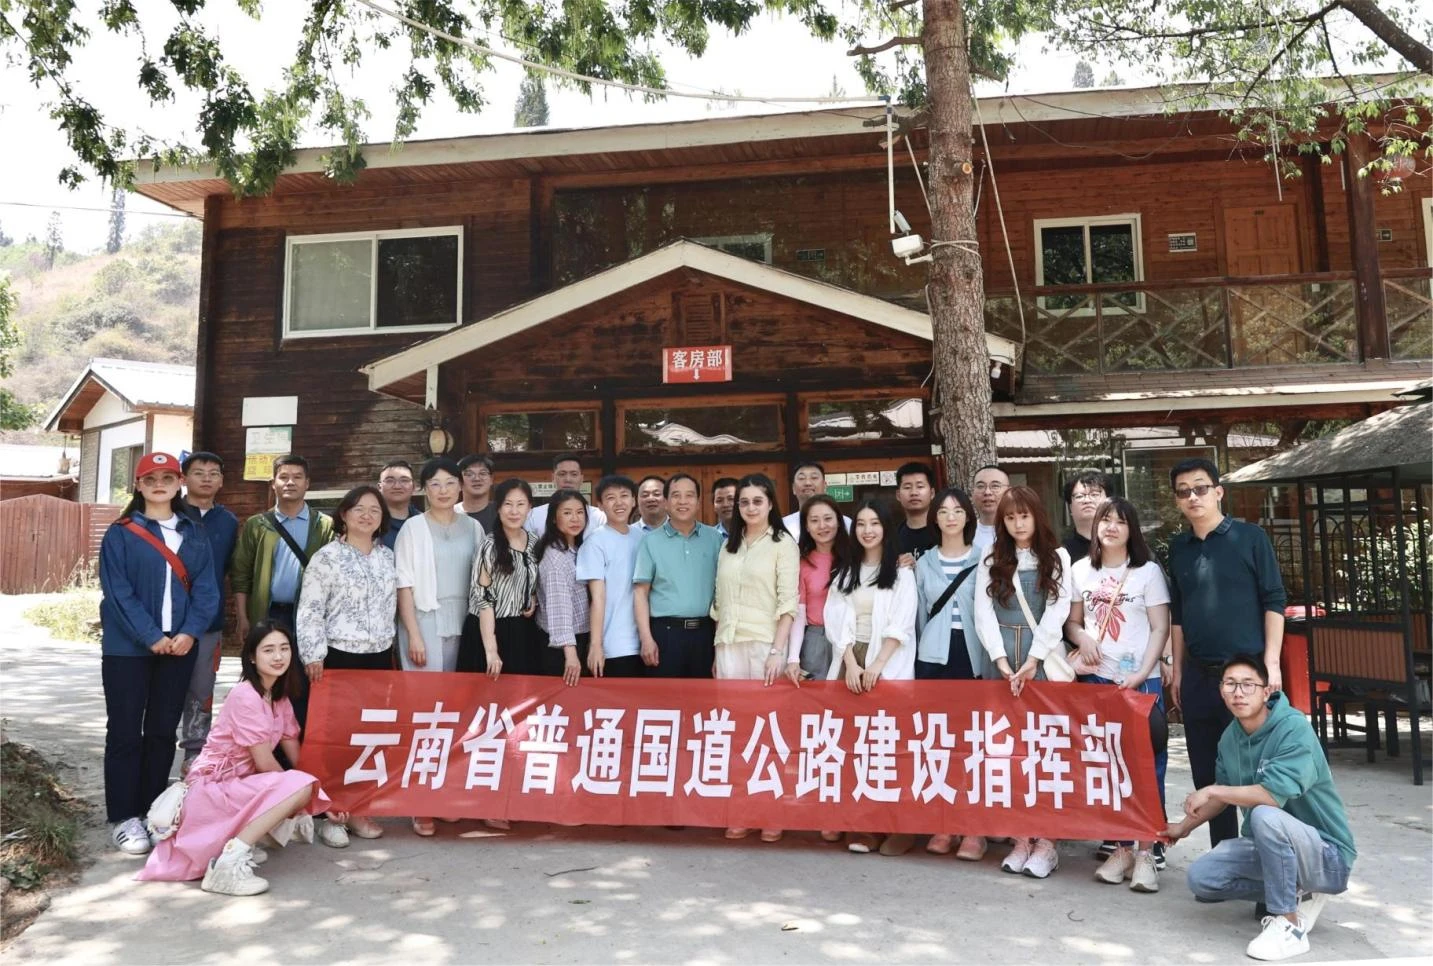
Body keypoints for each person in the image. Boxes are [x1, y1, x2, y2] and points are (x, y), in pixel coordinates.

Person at [1167, 655, 1355, 963]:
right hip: (1271, 848)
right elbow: (1223, 796)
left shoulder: (1293, 728)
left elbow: (1269, 796)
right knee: (1203, 877)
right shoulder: (1230, 739)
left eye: (1248, 685)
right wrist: (1181, 828)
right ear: (1221, 691)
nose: (1238, 692)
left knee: (1264, 814)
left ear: (1266, 691)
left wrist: (1211, 789)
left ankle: (1290, 924)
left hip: (1326, 854)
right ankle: (1302, 890)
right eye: (1230, 684)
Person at [137, 623, 332, 896]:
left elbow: (298, 758)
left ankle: (236, 843)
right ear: (252, 657)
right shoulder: (245, 695)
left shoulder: (279, 698)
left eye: (284, 648)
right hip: (211, 790)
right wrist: (302, 797)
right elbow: (265, 764)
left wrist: (324, 798)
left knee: (302, 786)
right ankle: (227, 865)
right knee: (297, 787)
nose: (278, 656)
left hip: (236, 785)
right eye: (268, 650)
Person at [99, 452, 221, 855]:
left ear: (178, 484)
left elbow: (207, 589)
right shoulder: (121, 533)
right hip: (128, 649)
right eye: (150, 478)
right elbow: (118, 592)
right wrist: (151, 635)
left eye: (167, 477)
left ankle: (153, 810)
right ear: (138, 484)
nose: (158, 484)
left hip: (179, 646)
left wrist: (189, 632)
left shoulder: (193, 533)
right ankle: (124, 817)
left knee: (162, 731)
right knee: (124, 730)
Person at [1166, 457, 1286, 850]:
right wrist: (1178, 670)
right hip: (1199, 677)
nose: (1193, 496)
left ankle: (1268, 860)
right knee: (1208, 774)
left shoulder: (1250, 538)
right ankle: (1224, 858)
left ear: (1218, 492)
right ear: (1177, 500)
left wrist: (1271, 663)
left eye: (1201, 488)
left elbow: (1274, 600)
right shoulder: (1178, 549)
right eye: (1184, 491)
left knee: (1259, 773)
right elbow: (1178, 615)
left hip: (1247, 677)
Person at [1065, 497, 1170, 893]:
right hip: (1098, 682)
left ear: (1132, 530)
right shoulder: (1081, 570)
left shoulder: (1148, 572)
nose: (1111, 527)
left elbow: (1160, 627)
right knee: (1108, 766)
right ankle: (1121, 848)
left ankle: (1147, 852)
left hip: (1140, 682)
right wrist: (1082, 638)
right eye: (1105, 520)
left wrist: (1144, 672)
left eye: (1120, 522)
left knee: (1147, 766)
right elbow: (1072, 622)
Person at [972, 485, 1072, 879]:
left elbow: (1057, 612)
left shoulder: (1057, 557)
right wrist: (999, 659)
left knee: (1046, 752)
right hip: (1001, 661)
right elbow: (983, 611)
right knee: (1007, 752)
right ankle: (1020, 838)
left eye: (1024, 516)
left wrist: (1033, 660)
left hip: (1040, 660)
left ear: (1037, 516)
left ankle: (1047, 842)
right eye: (1010, 517)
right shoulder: (992, 556)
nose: (1018, 524)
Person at [296, 484, 397, 843]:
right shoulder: (327, 558)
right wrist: (313, 654)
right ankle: (332, 813)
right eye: (359, 509)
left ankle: (358, 807)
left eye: (374, 510)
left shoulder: (387, 557)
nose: (367, 516)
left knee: (368, 735)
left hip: (379, 656)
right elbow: (310, 609)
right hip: (338, 656)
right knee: (335, 736)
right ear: (344, 514)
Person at [824, 499, 918, 857]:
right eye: (861, 524)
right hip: (851, 662)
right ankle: (863, 825)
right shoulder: (845, 572)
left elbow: (902, 623)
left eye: (874, 523)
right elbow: (834, 620)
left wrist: (877, 665)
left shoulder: (901, 573)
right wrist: (851, 663)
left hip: (887, 663)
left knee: (889, 747)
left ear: (886, 528)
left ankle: (899, 827)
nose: (867, 530)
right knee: (853, 747)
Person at [712, 473, 799, 843]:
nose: (750, 508)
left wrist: (778, 651)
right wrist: (718, 648)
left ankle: (772, 812)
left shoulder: (783, 543)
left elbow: (788, 602)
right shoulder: (728, 547)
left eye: (757, 501)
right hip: (728, 645)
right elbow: (720, 601)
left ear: (770, 504)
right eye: (744, 502)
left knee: (769, 731)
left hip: (765, 646)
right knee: (736, 733)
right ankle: (742, 810)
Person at [913, 486, 985, 857]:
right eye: (943, 511)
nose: (951, 517)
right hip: (933, 657)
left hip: (973, 658)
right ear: (935, 518)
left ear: (968, 517)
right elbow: (917, 616)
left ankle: (974, 829)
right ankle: (944, 824)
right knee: (938, 742)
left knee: (973, 744)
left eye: (957, 510)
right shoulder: (922, 563)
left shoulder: (985, 558)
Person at [176, 451, 239, 775]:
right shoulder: (169, 513)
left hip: (209, 622)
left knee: (202, 689)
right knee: (164, 688)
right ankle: (155, 747)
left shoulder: (228, 521)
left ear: (222, 481)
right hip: (169, 621)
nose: (206, 478)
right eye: (199, 472)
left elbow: (226, 568)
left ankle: (194, 753)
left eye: (214, 473)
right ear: (184, 478)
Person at [231, 454, 334, 643]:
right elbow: (240, 575)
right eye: (284, 477)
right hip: (267, 614)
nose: (290, 482)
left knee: (307, 662)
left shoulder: (324, 525)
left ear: (307, 483)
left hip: (311, 614)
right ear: (273, 483)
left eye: (297, 477)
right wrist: (242, 617)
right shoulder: (257, 525)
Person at [395, 458, 481, 678]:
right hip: (424, 621)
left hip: (466, 618)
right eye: (435, 484)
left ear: (460, 486)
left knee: (462, 688)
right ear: (425, 489)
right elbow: (403, 585)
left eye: (450, 483)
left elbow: (484, 579)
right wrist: (414, 635)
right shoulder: (412, 528)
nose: (443, 490)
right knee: (425, 689)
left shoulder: (474, 527)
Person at [633, 474, 724, 678]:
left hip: (705, 634)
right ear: (666, 502)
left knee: (704, 696)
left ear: (698, 502)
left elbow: (722, 594)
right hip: (665, 635)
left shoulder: (715, 539)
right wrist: (646, 639)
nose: (683, 501)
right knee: (665, 696)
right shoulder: (650, 541)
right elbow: (640, 593)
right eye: (676, 495)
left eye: (689, 495)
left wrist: (719, 644)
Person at [472, 479, 544, 680]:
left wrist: (532, 597)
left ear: (529, 507)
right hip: (492, 630)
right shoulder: (489, 546)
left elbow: (532, 581)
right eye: (508, 504)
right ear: (498, 508)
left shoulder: (534, 542)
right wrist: (491, 651)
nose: (514, 511)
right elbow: (484, 601)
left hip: (524, 630)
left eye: (520, 504)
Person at [577, 476, 647, 679]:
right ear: (600, 505)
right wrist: (596, 645)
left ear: (633, 500)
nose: (619, 503)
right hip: (613, 645)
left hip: (645, 642)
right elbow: (597, 598)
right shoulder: (595, 542)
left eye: (624, 496)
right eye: (610, 498)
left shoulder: (643, 538)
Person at [785, 495, 849, 686]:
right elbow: (799, 613)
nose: (822, 526)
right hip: (816, 638)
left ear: (839, 521)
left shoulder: (855, 557)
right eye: (814, 520)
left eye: (828, 519)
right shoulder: (801, 562)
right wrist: (793, 658)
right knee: (815, 697)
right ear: (806, 526)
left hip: (850, 637)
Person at [535, 489, 591, 686]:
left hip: (578, 638)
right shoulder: (555, 557)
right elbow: (559, 608)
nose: (575, 518)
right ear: (553, 518)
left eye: (580, 512)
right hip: (563, 646)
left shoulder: (575, 548)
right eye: (567, 513)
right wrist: (571, 655)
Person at [525, 453, 607, 537]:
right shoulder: (534, 515)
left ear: (581, 479)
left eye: (574, 474)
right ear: (553, 478)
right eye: (562, 474)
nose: (568, 479)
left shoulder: (599, 517)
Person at [781, 462, 851, 535]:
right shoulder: (784, 525)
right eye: (801, 478)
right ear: (793, 488)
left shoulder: (845, 523)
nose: (808, 483)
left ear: (825, 486)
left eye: (814, 478)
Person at [1061, 470, 1111, 561]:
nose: (1087, 500)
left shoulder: (1123, 545)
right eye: (1079, 496)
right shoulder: (1062, 553)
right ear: (1070, 507)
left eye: (1094, 494)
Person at [895, 462, 938, 563]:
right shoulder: (893, 538)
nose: (914, 492)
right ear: (898, 495)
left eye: (920, 486)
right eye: (907, 487)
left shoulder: (944, 532)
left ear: (932, 493)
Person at [377, 459, 421, 552]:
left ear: (414, 487)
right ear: (379, 487)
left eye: (404, 480)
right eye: (390, 481)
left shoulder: (423, 522)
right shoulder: (371, 522)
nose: (397, 486)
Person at [970, 464, 1010, 551]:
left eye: (995, 486)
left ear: (1009, 491)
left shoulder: (1019, 531)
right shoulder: (963, 533)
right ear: (972, 493)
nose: (987, 492)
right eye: (980, 486)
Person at [458, 454, 497, 533]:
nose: (477, 479)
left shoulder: (503, 512)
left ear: (491, 479)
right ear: (459, 481)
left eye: (482, 473)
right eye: (469, 474)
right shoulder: (451, 513)